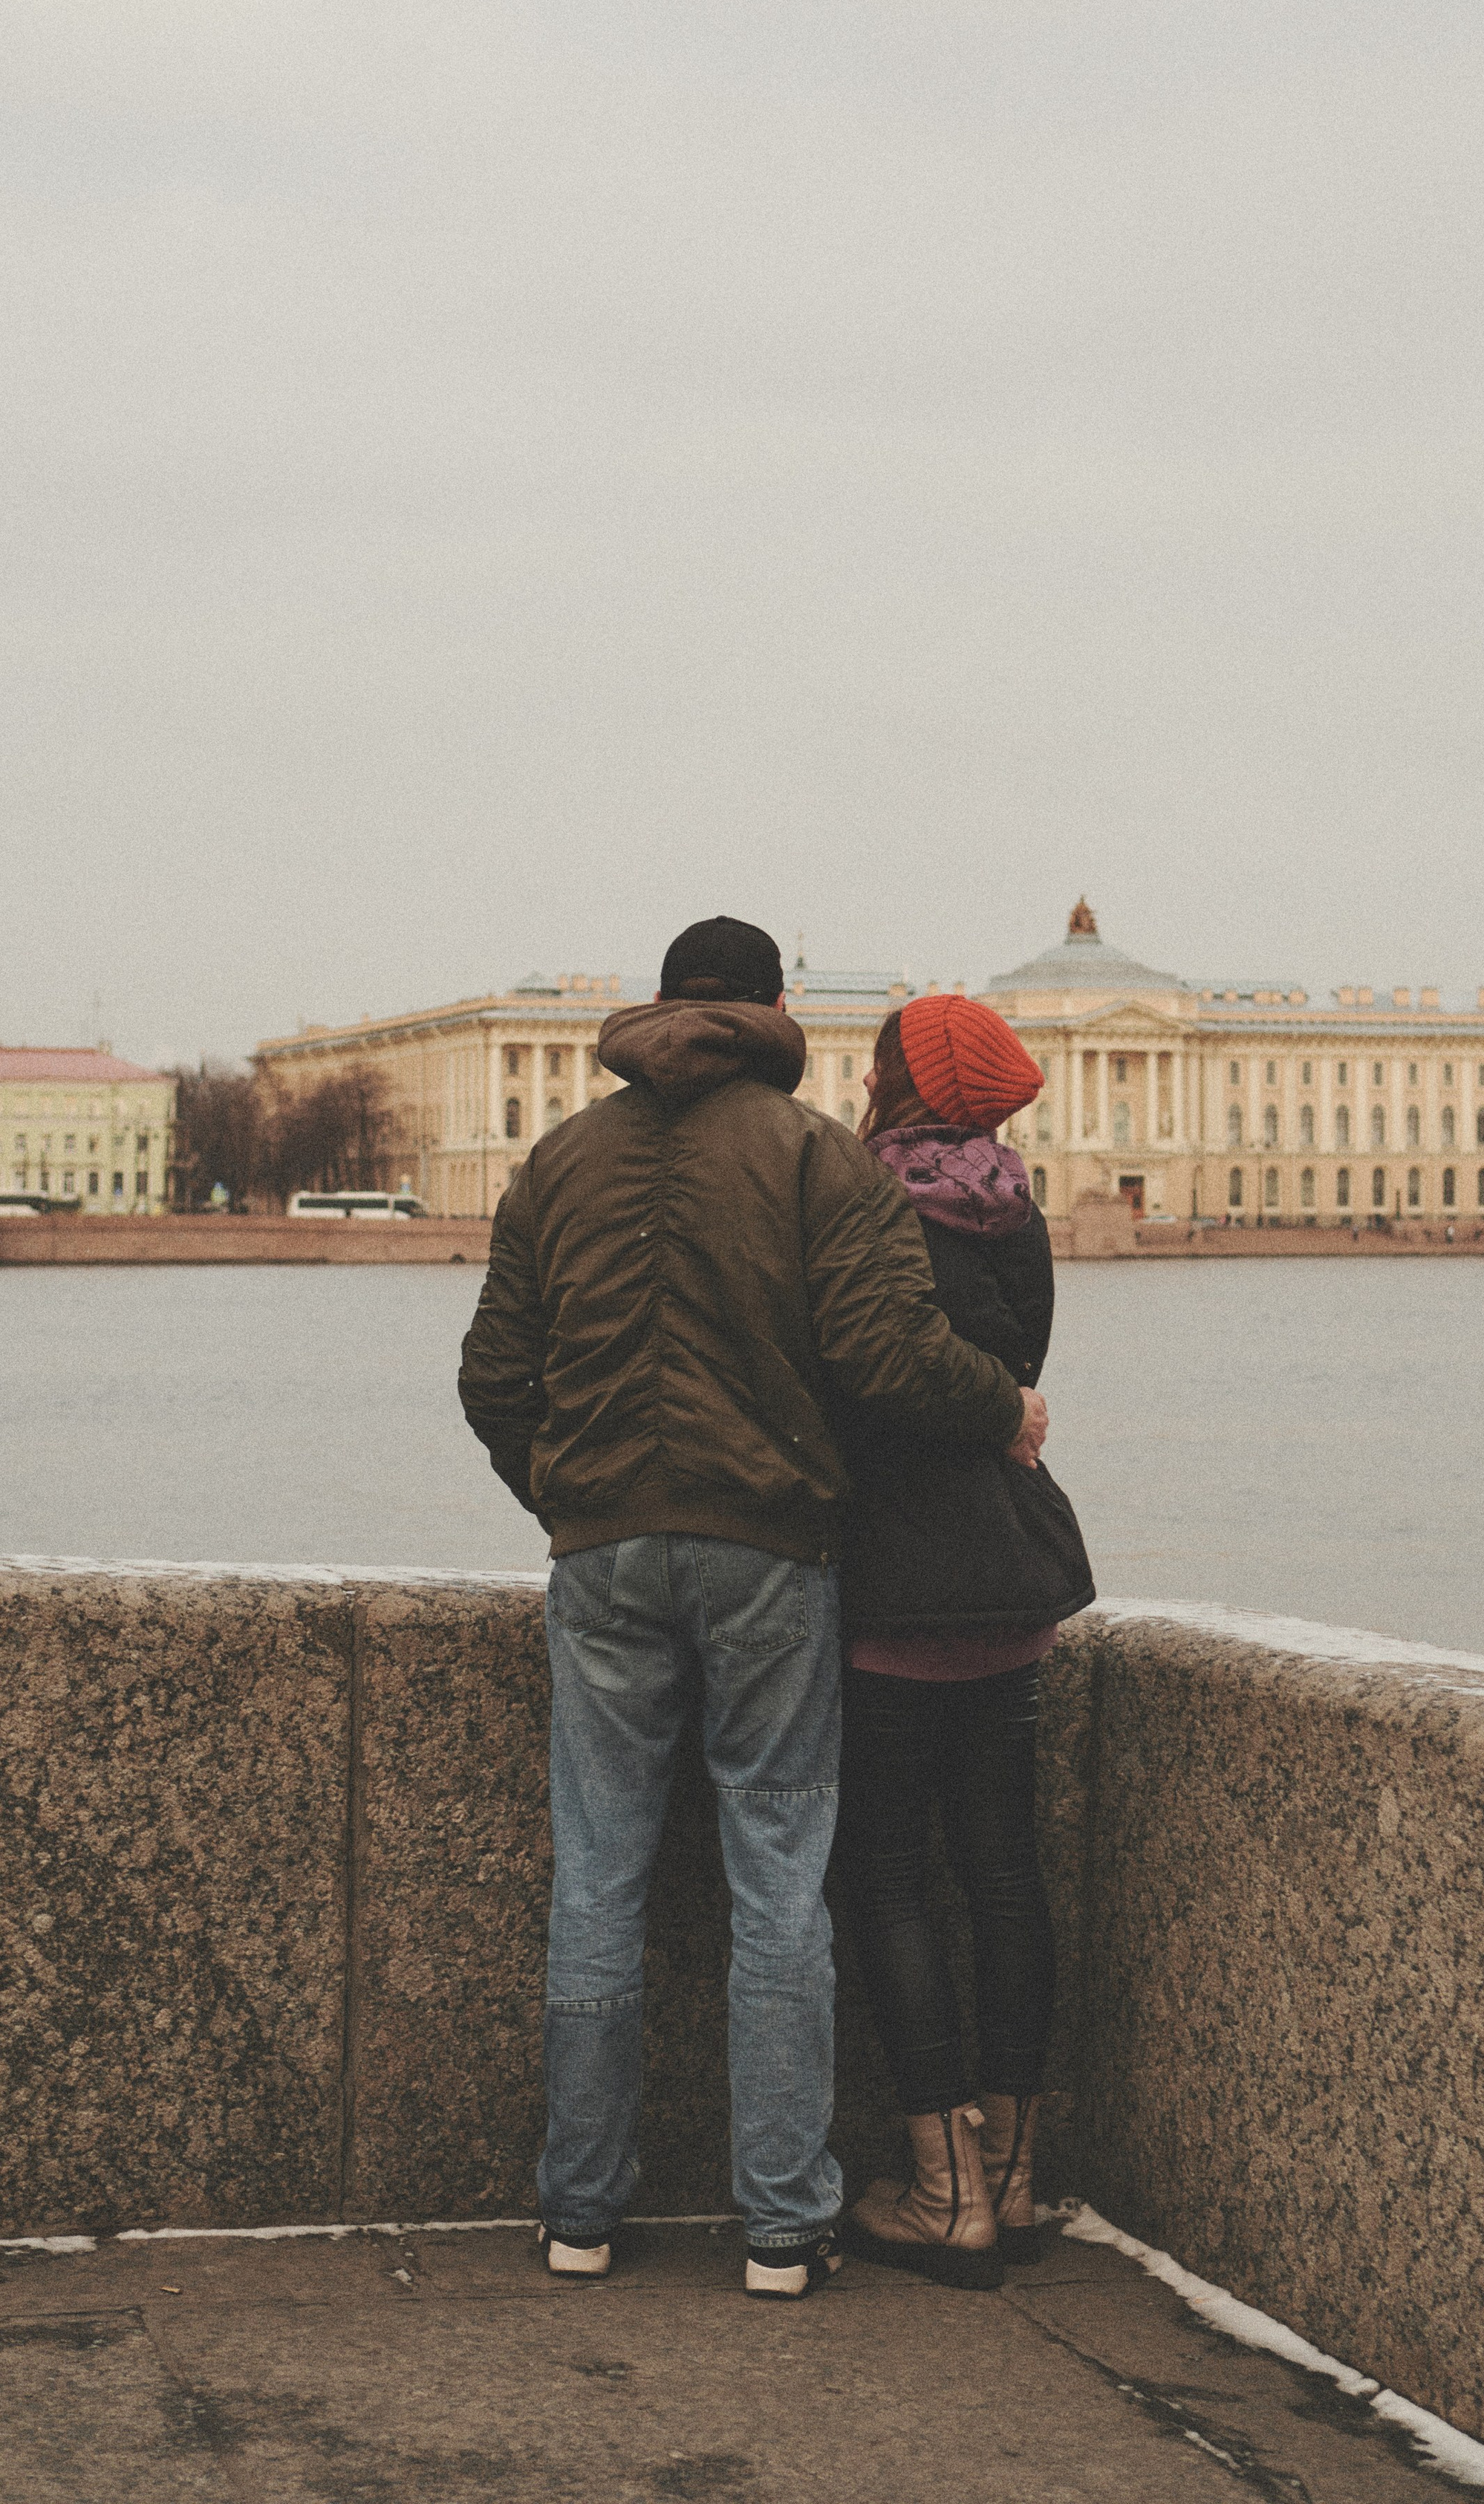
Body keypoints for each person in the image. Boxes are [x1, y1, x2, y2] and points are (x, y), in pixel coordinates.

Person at [458, 917, 1047, 2302]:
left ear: (660, 1004)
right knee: (778, 1885)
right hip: (771, 1549)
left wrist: (565, 1497)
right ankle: (783, 2224)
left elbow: (494, 1374)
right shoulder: (811, 1152)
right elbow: (886, 1352)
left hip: (602, 1553)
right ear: (778, 1010)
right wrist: (1005, 1406)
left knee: (597, 1878)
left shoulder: (559, 1157)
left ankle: (580, 2216)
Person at [835, 995, 1093, 2289]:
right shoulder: (1017, 1201)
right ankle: (1019, 2173)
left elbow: (862, 1376)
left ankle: (946, 2197)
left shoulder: (864, 1198)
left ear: (905, 1082)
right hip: (1012, 1578)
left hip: (893, 1585)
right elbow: (1017, 1372)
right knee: (1001, 1873)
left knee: (882, 1877)